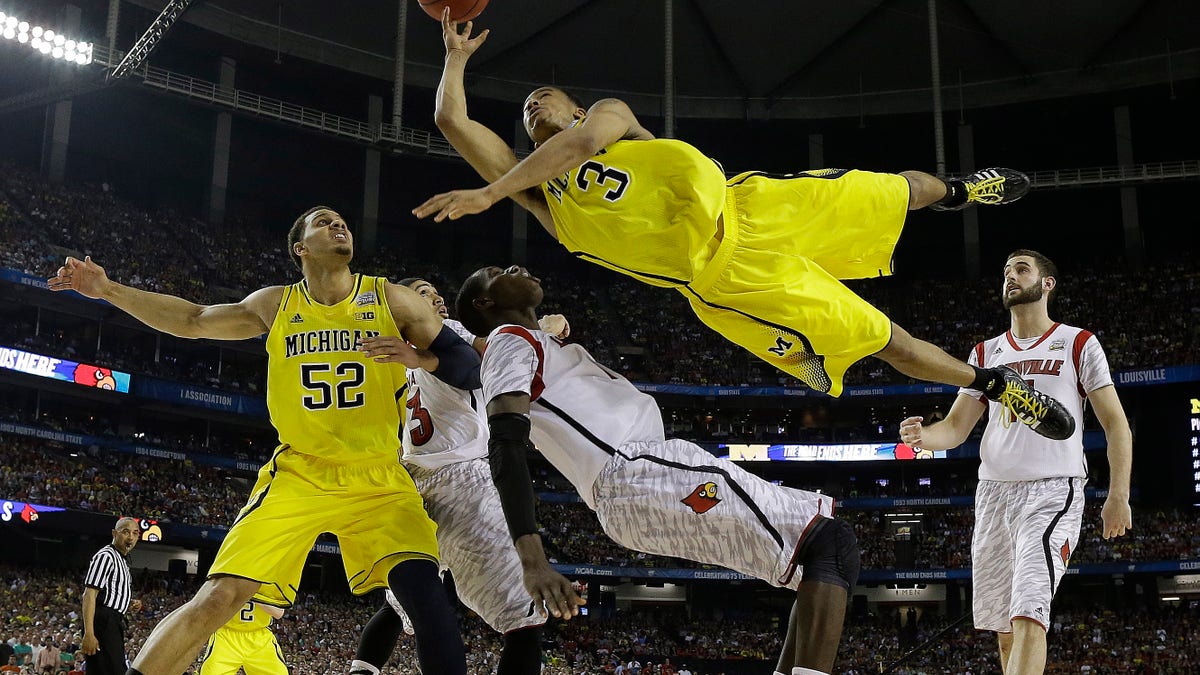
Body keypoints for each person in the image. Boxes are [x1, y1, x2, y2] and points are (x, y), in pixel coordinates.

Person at [414, 11, 1073, 442]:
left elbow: (581, 146)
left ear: (576, 106)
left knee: (893, 191)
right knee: (883, 338)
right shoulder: (546, 201)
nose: (534, 103)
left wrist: (491, 192)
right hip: (723, 275)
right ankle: (999, 387)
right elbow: (452, 122)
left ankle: (961, 190)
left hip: (749, 205)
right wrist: (454, 59)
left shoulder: (606, 118)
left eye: (546, 97)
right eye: (528, 109)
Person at [47, 206, 475, 675]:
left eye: (342, 222)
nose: (339, 225)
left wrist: (419, 358)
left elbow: (468, 369)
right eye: (323, 221)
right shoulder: (276, 304)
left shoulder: (392, 301)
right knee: (219, 598)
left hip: (378, 475)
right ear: (301, 248)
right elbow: (193, 319)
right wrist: (107, 289)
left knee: (428, 601)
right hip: (301, 472)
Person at [454, 264, 862, 675]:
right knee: (828, 541)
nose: (517, 266)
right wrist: (532, 560)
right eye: (497, 271)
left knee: (816, 561)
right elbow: (505, 444)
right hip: (637, 473)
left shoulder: (531, 339)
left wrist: (547, 327)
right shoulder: (509, 343)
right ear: (485, 302)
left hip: (638, 490)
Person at [897, 249, 1134, 675]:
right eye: (1006, 270)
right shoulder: (985, 352)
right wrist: (923, 438)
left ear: (1047, 283)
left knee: (1029, 612)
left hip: (1052, 489)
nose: (1010, 276)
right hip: (992, 495)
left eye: (1021, 269)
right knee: (1005, 633)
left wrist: (1119, 495)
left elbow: (1116, 424)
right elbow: (954, 429)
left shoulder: (1078, 342)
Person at [350, 277, 575, 675]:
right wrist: (545, 328)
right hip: (463, 483)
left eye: (437, 292)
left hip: (409, 488)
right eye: (421, 292)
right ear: (403, 305)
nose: (435, 296)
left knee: (398, 606)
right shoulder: (443, 333)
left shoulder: (380, 350)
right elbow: (484, 364)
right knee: (525, 623)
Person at [80, 517, 143, 675]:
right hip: (103, 622)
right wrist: (89, 633)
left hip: (113, 620)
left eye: (135, 533)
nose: (131, 537)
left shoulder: (122, 560)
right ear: (114, 533)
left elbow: (110, 594)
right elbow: (89, 594)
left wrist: (128, 602)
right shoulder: (106, 556)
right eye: (126, 532)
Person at [198, 601, 287, 675]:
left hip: (260, 637)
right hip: (226, 635)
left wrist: (255, 594)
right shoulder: (227, 580)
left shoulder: (271, 583)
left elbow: (279, 613)